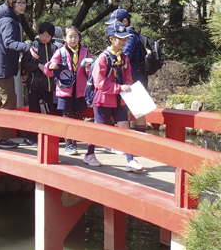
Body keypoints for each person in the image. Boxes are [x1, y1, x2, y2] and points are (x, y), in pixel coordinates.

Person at [0, 0, 37, 149]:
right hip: (3, 69)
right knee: (8, 103)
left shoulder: (5, 19)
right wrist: (27, 47)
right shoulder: (9, 21)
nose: (23, 5)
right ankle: (2, 138)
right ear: (11, 3)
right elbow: (9, 42)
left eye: (24, 2)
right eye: (20, 2)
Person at [86, 22, 142, 170]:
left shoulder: (124, 58)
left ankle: (130, 160)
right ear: (111, 39)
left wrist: (128, 85)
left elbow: (128, 75)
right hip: (104, 100)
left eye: (125, 39)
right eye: (120, 39)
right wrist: (118, 87)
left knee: (125, 128)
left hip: (120, 100)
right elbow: (99, 82)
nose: (124, 42)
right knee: (99, 129)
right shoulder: (102, 58)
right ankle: (89, 154)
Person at [44, 26, 91, 156]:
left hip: (80, 91)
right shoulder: (60, 52)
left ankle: (74, 141)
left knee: (78, 117)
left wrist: (88, 68)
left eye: (75, 36)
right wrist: (50, 66)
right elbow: (48, 70)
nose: (73, 39)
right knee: (67, 117)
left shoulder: (85, 52)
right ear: (64, 38)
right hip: (65, 91)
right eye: (70, 36)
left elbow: (90, 73)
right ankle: (68, 144)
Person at [105, 9, 148, 139]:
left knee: (138, 111)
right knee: (134, 110)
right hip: (136, 77)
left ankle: (138, 140)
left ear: (125, 21)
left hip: (134, 78)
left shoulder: (129, 36)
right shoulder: (133, 35)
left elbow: (125, 57)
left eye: (116, 22)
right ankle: (137, 139)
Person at [21, 22, 59, 145]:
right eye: (42, 35)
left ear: (52, 36)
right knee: (33, 111)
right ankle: (29, 137)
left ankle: (48, 137)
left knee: (49, 111)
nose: (44, 38)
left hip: (49, 86)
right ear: (39, 34)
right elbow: (24, 64)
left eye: (48, 36)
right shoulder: (33, 47)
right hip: (34, 85)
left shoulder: (55, 48)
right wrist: (38, 66)